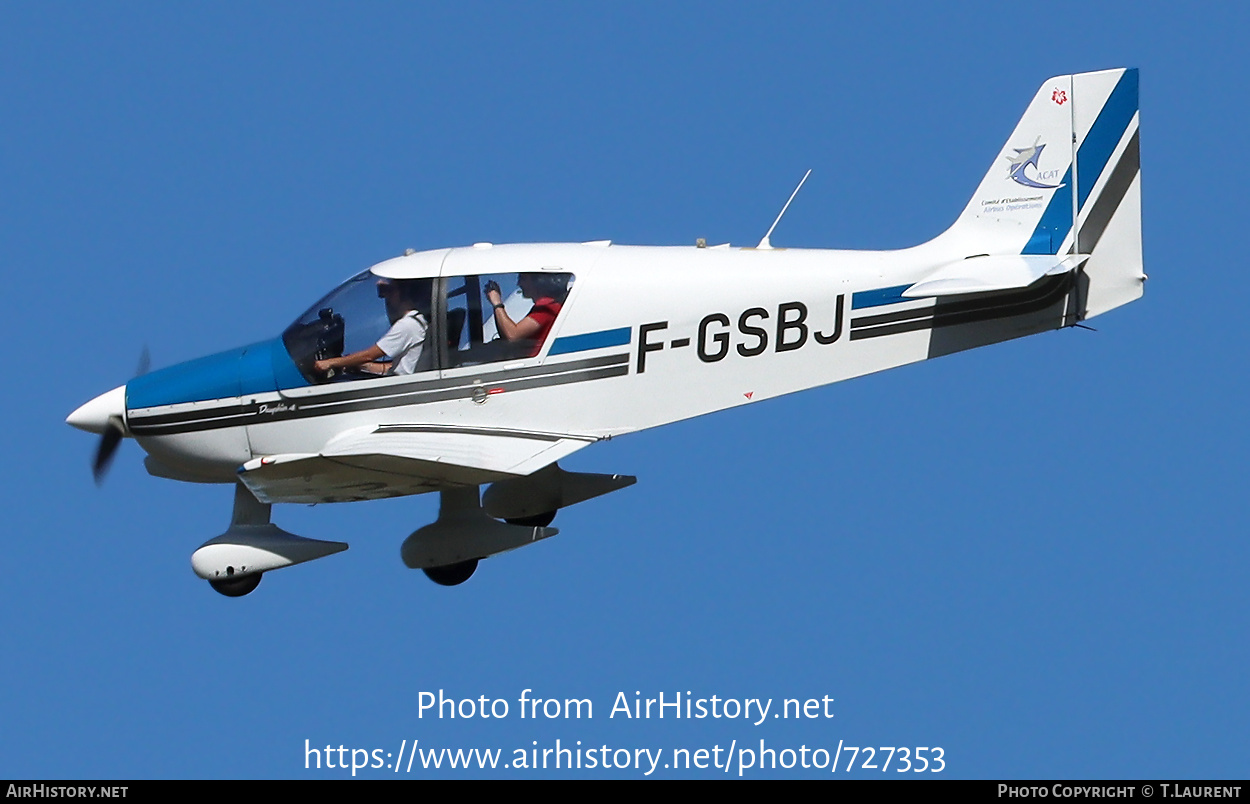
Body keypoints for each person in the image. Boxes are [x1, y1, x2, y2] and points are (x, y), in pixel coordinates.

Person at [314, 278, 431, 377]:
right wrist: (362, 366)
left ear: (403, 293)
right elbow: (394, 367)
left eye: (391, 290)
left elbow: (369, 355)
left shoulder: (407, 325)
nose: (386, 297)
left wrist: (330, 363)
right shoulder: (418, 321)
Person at [483, 273, 570, 357]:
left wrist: (497, 303)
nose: (519, 284)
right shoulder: (547, 306)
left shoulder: (547, 308)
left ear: (539, 281)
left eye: (523, 279)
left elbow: (512, 336)